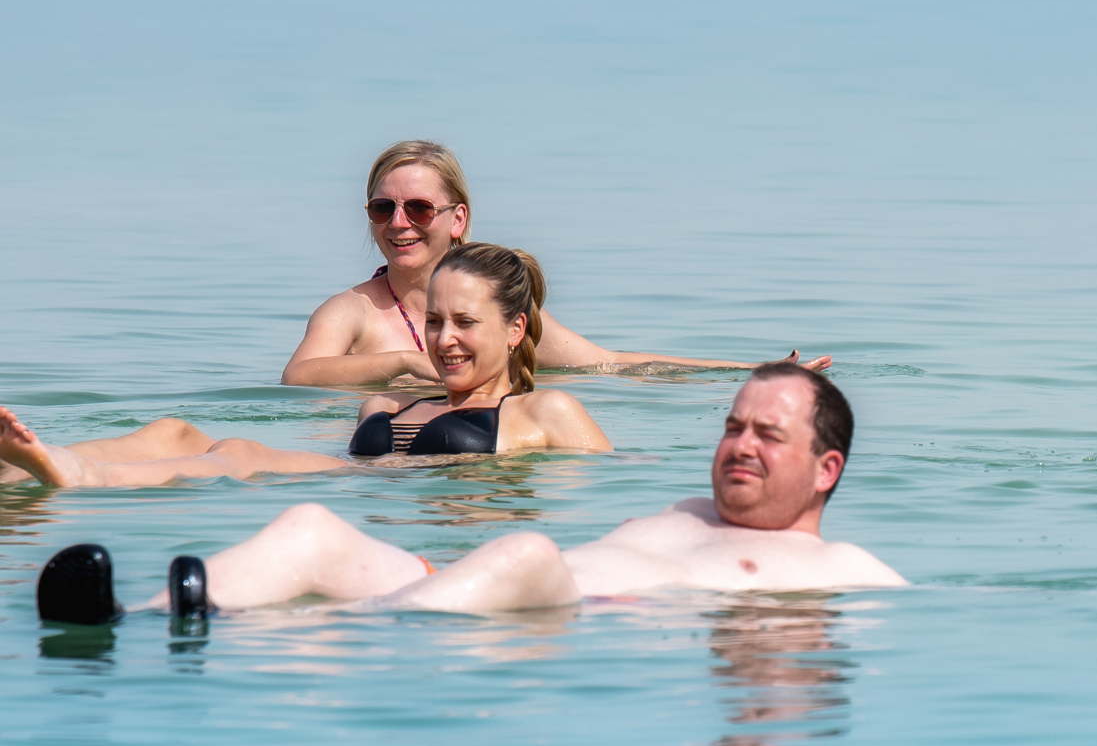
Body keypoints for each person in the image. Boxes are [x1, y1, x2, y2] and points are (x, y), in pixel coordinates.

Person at [35, 362, 901, 624]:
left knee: (525, 549)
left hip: (550, 612)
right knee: (312, 526)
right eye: (733, 425)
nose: (738, 444)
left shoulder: (843, 565)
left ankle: (328, 630)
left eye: (767, 434)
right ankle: (136, 617)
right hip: (461, 587)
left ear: (825, 470)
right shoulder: (683, 510)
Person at [3, 245, 610, 488]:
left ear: (514, 330)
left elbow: (617, 481)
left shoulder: (544, 410)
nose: (444, 339)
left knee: (237, 453)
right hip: (352, 482)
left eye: (465, 323)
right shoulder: (391, 404)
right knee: (175, 431)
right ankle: (17, 473)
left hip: (358, 494)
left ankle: (72, 474)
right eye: (434, 321)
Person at [282, 140, 828, 387]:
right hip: (386, 477)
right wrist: (403, 363)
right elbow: (299, 377)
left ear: (457, 218)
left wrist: (754, 373)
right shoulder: (350, 310)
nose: (399, 223)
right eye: (383, 208)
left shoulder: (498, 309)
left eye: (419, 207)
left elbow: (611, 364)